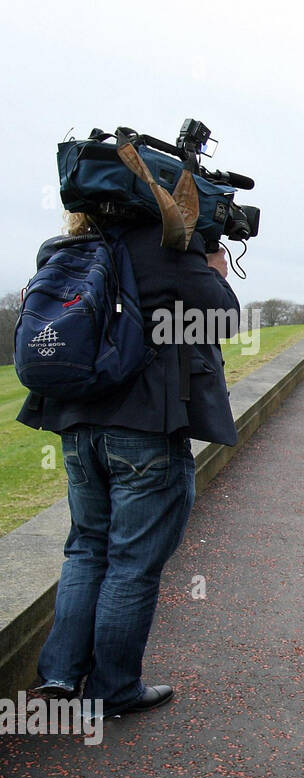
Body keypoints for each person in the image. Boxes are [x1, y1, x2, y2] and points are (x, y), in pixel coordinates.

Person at [21, 212, 239, 718]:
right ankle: (111, 690)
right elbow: (223, 320)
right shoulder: (167, 252)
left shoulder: (65, 246)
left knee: (85, 549)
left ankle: (58, 674)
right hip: (144, 428)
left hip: (76, 423)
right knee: (132, 564)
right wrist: (211, 266)